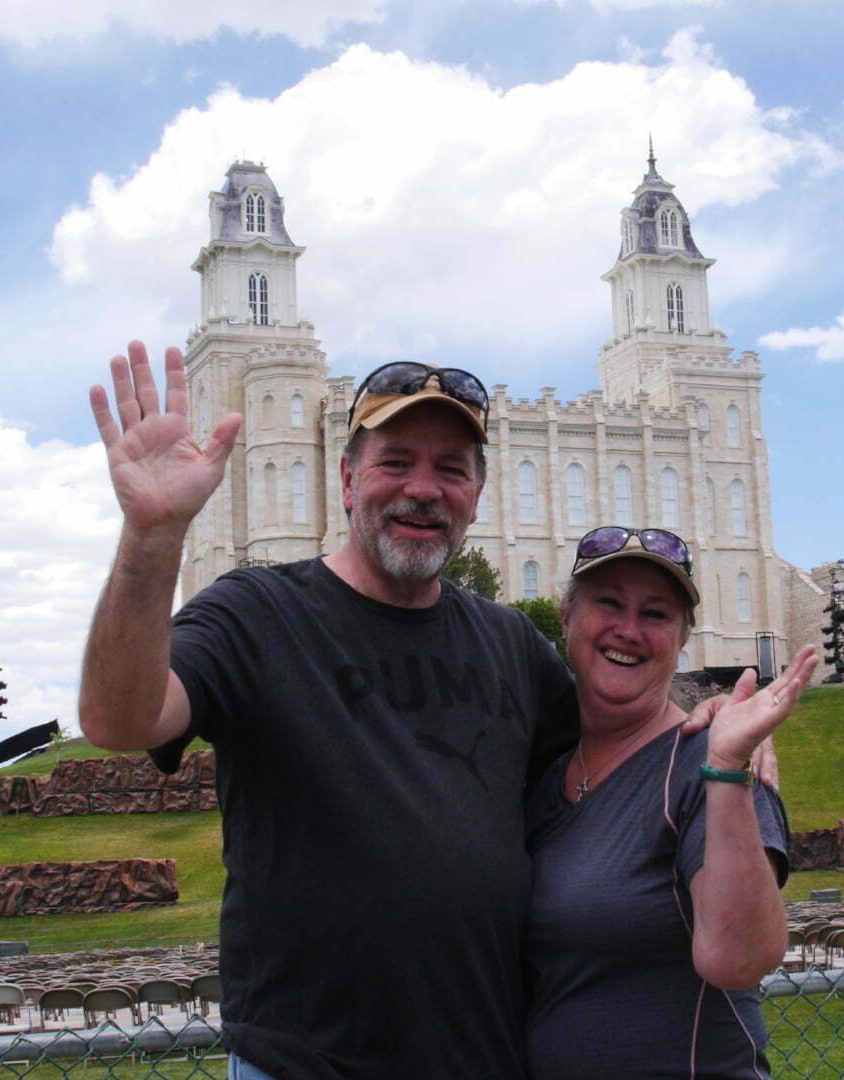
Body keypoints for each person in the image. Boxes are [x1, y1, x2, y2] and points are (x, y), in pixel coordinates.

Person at [77, 342, 578, 1079]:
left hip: (485, 1057)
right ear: (347, 479)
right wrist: (152, 539)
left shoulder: (512, 645)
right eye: (396, 461)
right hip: (307, 1063)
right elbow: (118, 721)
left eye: (451, 469)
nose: (423, 488)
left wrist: (711, 753)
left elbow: (606, 762)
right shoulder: (256, 614)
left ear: (477, 494)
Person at [525, 525, 819, 1079]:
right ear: (566, 618)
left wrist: (728, 767)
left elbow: (739, 960)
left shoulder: (704, 769)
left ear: (683, 637)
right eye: (608, 603)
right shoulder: (540, 775)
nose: (628, 629)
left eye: (657, 614)